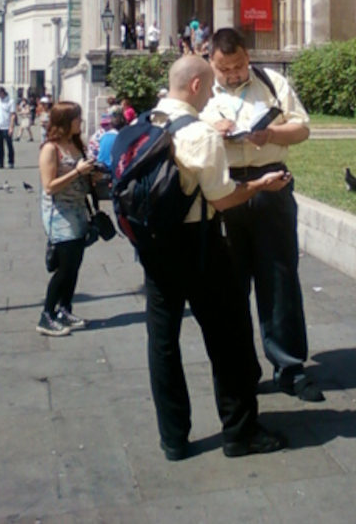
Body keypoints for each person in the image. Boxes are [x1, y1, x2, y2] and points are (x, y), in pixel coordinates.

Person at [145, 55, 289, 459]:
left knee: (162, 342)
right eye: (209, 89)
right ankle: (240, 431)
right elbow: (223, 198)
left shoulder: (146, 121)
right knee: (230, 337)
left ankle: (173, 438)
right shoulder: (199, 134)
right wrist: (260, 184)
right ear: (194, 86)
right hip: (198, 242)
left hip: (154, 245)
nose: (211, 96)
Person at [201, 28, 323, 402]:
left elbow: (301, 129)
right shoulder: (201, 89)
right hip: (225, 188)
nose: (234, 74)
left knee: (280, 276)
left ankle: (288, 365)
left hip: (271, 183)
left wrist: (270, 134)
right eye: (225, 69)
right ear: (211, 63)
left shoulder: (272, 82)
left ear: (247, 57)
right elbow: (180, 129)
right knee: (230, 283)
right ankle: (241, 368)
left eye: (238, 66)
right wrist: (212, 131)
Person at [37, 101, 95, 336]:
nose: (80, 122)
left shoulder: (74, 143)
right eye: (77, 118)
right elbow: (49, 186)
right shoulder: (51, 149)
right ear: (65, 121)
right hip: (60, 213)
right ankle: (46, 315)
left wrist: (92, 172)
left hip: (79, 210)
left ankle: (65, 309)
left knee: (74, 267)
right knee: (64, 268)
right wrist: (78, 172)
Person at [0, 87, 16, 168]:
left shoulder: (10, 101)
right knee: (0, 146)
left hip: (7, 126)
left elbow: (13, 115)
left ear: (2, 92)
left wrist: (11, 127)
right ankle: (0, 162)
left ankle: (11, 162)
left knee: (9, 145)